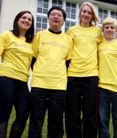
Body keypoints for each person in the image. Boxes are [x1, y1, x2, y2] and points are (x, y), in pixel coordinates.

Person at [28, 6, 73, 138]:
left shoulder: (68, 39)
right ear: (48, 18)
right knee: (36, 120)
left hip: (59, 86)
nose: (56, 17)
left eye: (59, 15)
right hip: (38, 84)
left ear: (64, 20)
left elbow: (68, 62)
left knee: (56, 122)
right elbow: (33, 58)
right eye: (53, 14)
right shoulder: (39, 36)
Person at [65, 2, 103, 138]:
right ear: (80, 13)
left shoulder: (98, 32)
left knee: (90, 113)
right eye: (84, 11)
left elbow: (106, 46)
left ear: (92, 15)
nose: (86, 14)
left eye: (89, 12)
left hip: (91, 75)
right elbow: (65, 50)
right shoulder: (71, 31)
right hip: (73, 75)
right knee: (73, 112)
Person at [0, 11, 34, 138]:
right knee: (4, 113)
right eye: (23, 18)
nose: (26, 20)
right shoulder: (7, 35)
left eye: (29, 19)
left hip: (22, 81)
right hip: (6, 78)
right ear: (17, 20)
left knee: (23, 113)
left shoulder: (31, 41)